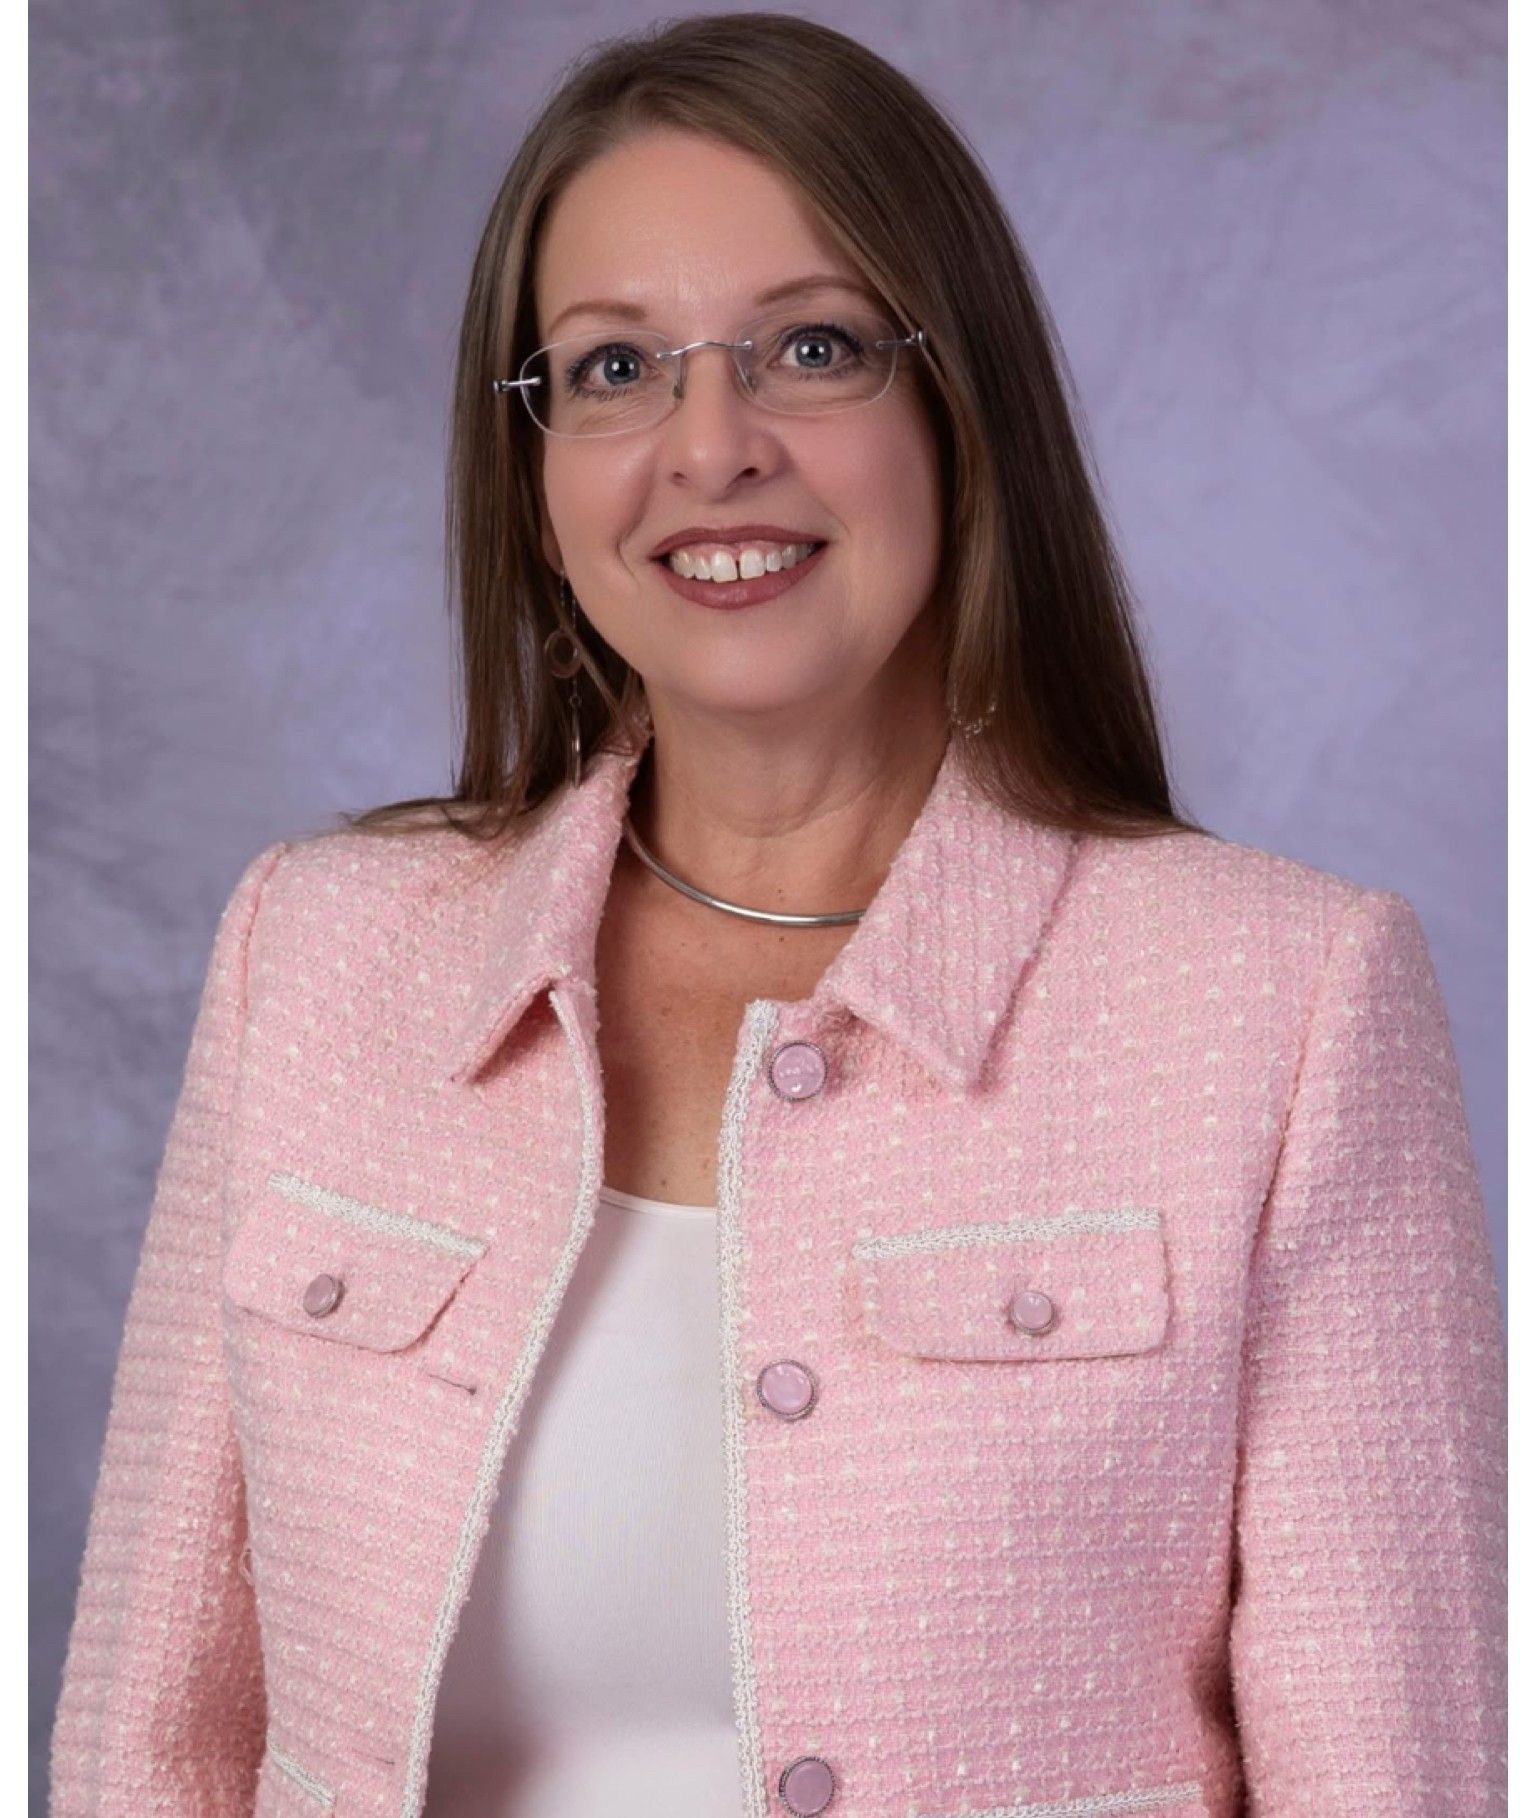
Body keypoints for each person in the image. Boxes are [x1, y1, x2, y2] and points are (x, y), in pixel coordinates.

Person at [50, 13, 1505, 1818]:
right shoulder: (316, 954)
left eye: (811, 347)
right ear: (533, 471)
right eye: (610, 370)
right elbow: (147, 1737)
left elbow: (1392, 1781)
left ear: (957, 407)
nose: (709, 446)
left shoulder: (1282, 1004)